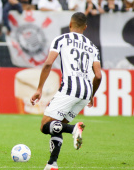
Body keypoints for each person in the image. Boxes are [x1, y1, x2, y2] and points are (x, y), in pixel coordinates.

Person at [30, 12, 102, 170]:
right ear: (85, 27)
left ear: (70, 24)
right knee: (57, 125)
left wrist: (39, 88)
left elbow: (48, 64)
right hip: (85, 91)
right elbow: (98, 75)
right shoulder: (92, 47)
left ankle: (73, 129)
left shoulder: (61, 39)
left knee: (45, 126)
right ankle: (52, 164)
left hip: (69, 89)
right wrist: (91, 95)